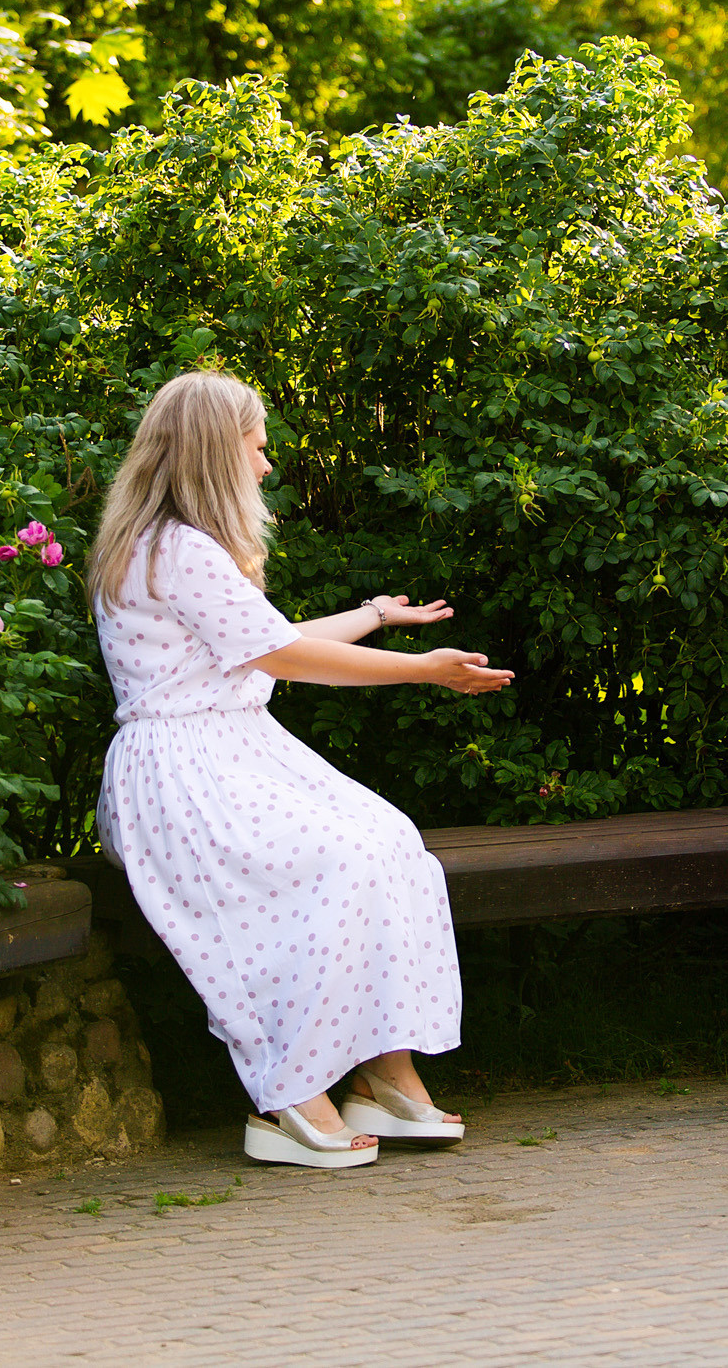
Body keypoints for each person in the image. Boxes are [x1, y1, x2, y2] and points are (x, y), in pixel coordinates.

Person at [87, 370, 514, 1166]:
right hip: (183, 776)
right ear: (218, 452)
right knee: (335, 860)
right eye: (256, 446)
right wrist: (423, 667)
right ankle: (287, 1091)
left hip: (234, 754)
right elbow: (282, 654)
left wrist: (378, 615)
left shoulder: (176, 545)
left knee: (388, 840)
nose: (266, 465)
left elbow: (267, 635)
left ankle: (385, 1076)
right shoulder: (174, 549)